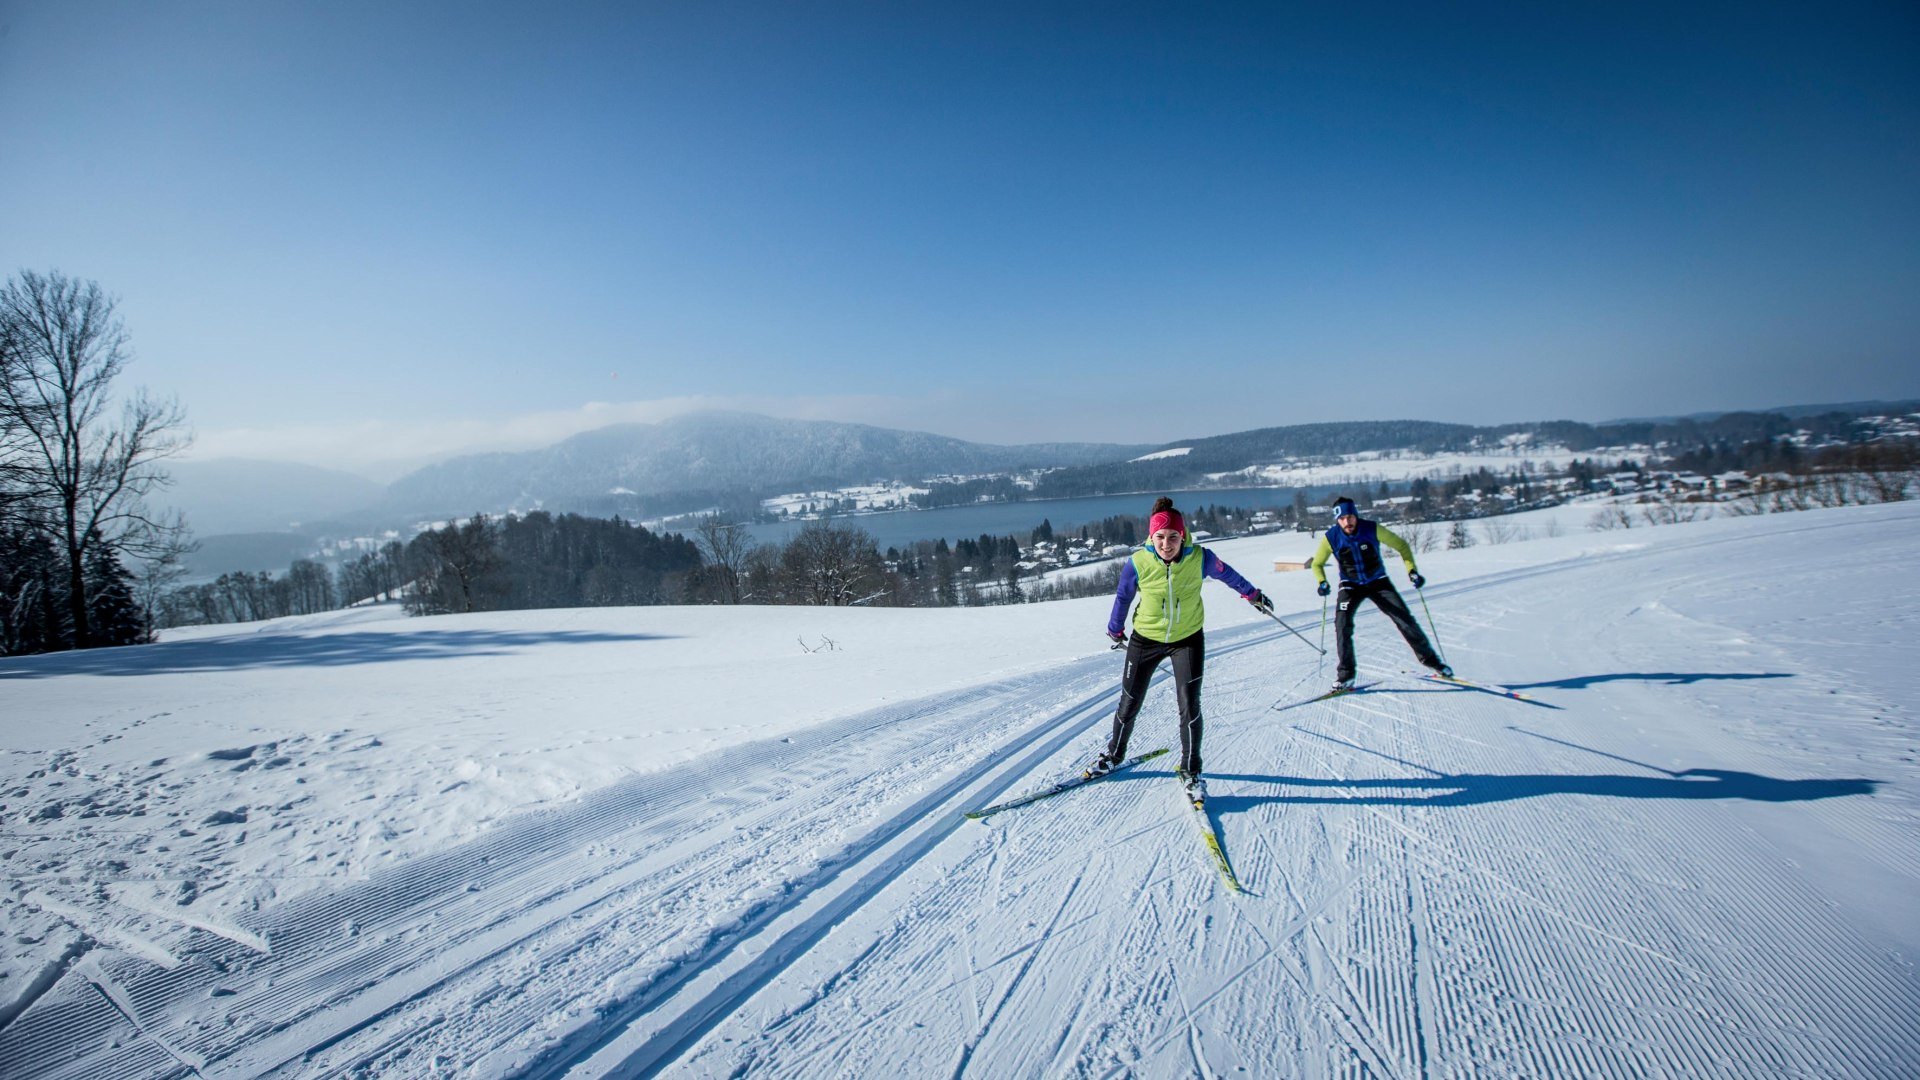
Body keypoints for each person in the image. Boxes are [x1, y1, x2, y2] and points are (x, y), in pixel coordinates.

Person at [1086, 497, 1270, 807]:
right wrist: (1115, 630)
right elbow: (1123, 597)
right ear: (1151, 536)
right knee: (1129, 701)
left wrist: (1253, 595)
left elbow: (1229, 576)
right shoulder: (1138, 562)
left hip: (1187, 639)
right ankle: (1113, 755)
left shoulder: (1200, 558)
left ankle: (1191, 770)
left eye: (1173, 536)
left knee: (1189, 704)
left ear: (1182, 536)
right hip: (1145, 640)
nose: (1166, 544)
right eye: (1160, 537)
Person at [1308, 496, 1450, 690]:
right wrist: (1322, 582)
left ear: (1356, 515)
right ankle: (1346, 675)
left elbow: (1402, 546)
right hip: (1350, 586)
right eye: (1342, 518)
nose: (1347, 522)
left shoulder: (1372, 529)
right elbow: (1317, 564)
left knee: (1404, 619)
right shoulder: (1331, 538)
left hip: (1378, 582)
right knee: (1342, 625)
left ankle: (1432, 661)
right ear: (1337, 520)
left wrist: (1412, 571)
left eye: (1350, 517)